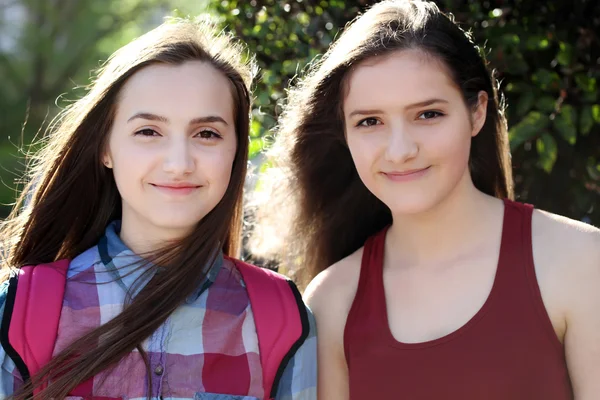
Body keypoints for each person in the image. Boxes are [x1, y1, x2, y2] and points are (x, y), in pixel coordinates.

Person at [250, 1, 600, 399]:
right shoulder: (331, 303)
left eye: (428, 115)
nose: (400, 150)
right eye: (370, 122)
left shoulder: (579, 261)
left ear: (477, 113)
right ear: (344, 134)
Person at [0, 18, 316, 400]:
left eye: (207, 134)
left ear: (236, 151)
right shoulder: (22, 308)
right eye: (148, 131)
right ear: (105, 148)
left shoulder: (281, 314)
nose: (178, 163)